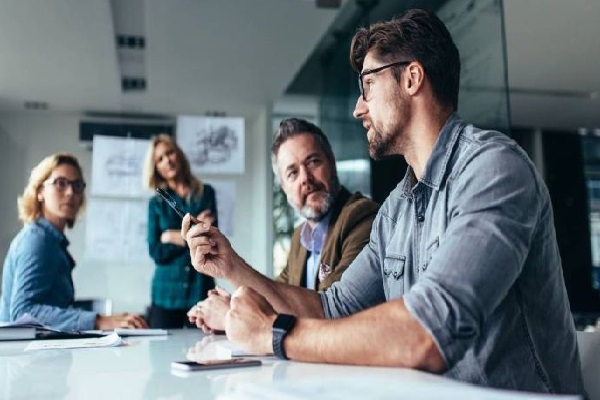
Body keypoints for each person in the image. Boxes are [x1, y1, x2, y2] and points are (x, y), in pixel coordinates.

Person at [182, 9, 585, 395]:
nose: (359, 107)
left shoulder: (494, 169)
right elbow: (331, 307)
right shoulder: (396, 209)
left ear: (411, 79)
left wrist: (274, 334)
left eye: (368, 85)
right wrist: (231, 266)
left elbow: (428, 332)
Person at [187, 118, 379, 332]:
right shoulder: (301, 236)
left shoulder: (362, 218)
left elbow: (332, 314)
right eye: (292, 173)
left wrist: (232, 316)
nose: (305, 178)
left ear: (332, 162)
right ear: (284, 187)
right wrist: (232, 305)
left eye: (313, 162)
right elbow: (277, 299)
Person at [0, 153, 148, 331]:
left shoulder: (51, 241)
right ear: (40, 192)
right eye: (60, 183)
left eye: (77, 186)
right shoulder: (37, 240)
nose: (70, 192)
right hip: (24, 356)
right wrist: (98, 320)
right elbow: (23, 313)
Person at [144, 134, 217, 329]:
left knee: (204, 351)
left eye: (170, 153)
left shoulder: (206, 193)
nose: (167, 160)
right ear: (156, 168)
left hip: (200, 289)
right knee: (161, 355)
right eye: (159, 159)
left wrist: (169, 236)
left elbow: (210, 241)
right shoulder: (156, 204)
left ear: (179, 154)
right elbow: (156, 251)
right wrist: (192, 235)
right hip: (166, 294)